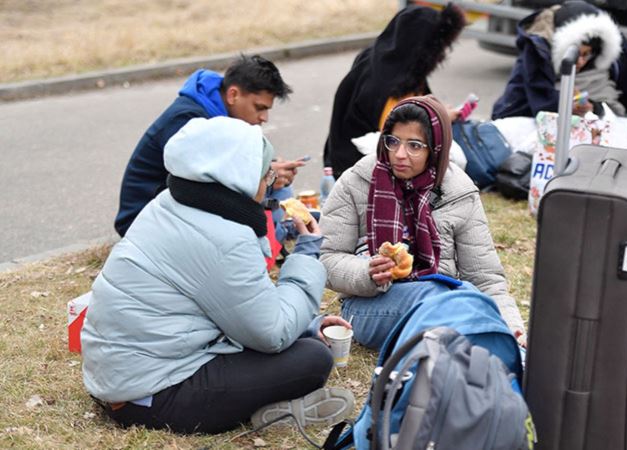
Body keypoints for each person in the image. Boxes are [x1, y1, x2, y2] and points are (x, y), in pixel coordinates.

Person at [82, 116, 354, 434]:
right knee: (314, 359)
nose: (270, 183)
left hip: (118, 375)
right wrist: (307, 253)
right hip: (149, 395)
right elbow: (272, 335)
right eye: (266, 173)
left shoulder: (173, 203)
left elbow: (234, 307)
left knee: (303, 343)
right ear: (237, 177)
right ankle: (275, 413)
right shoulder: (224, 238)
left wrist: (306, 324)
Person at [319, 96, 525, 350]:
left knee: (465, 293)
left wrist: (511, 327)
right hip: (368, 307)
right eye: (392, 141)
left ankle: (495, 342)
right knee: (447, 296)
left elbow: (486, 278)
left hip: (446, 300)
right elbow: (327, 258)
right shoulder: (356, 181)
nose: (399, 154)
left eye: (415, 145)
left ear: (436, 149)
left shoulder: (459, 192)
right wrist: (367, 272)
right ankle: (485, 338)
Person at [114, 54, 305, 239]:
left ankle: (277, 232)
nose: (264, 118)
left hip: (173, 208)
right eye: (259, 107)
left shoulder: (213, 115)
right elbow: (210, 192)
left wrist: (265, 169)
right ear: (233, 95)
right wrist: (266, 177)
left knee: (279, 193)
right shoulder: (189, 121)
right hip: (141, 221)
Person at [323, 3, 466, 180]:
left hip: (339, 159)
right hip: (359, 169)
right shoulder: (396, 85)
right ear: (425, 50)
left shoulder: (379, 59)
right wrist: (442, 117)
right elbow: (401, 134)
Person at [491, 0, 627, 120]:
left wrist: (593, 107)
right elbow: (529, 103)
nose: (581, 62)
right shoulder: (537, 55)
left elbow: (617, 108)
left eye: (587, 54)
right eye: (576, 55)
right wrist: (563, 103)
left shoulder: (598, 67)